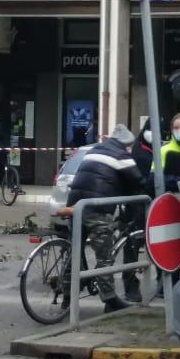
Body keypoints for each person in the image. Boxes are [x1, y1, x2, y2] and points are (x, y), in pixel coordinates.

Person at [66, 124, 145, 313]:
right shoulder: (121, 155)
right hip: (96, 208)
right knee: (104, 254)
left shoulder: (95, 149)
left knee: (74, 250)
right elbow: (137, 181)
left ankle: (67, 291)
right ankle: (110, 300)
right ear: (126, 144)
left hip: (74, 204)